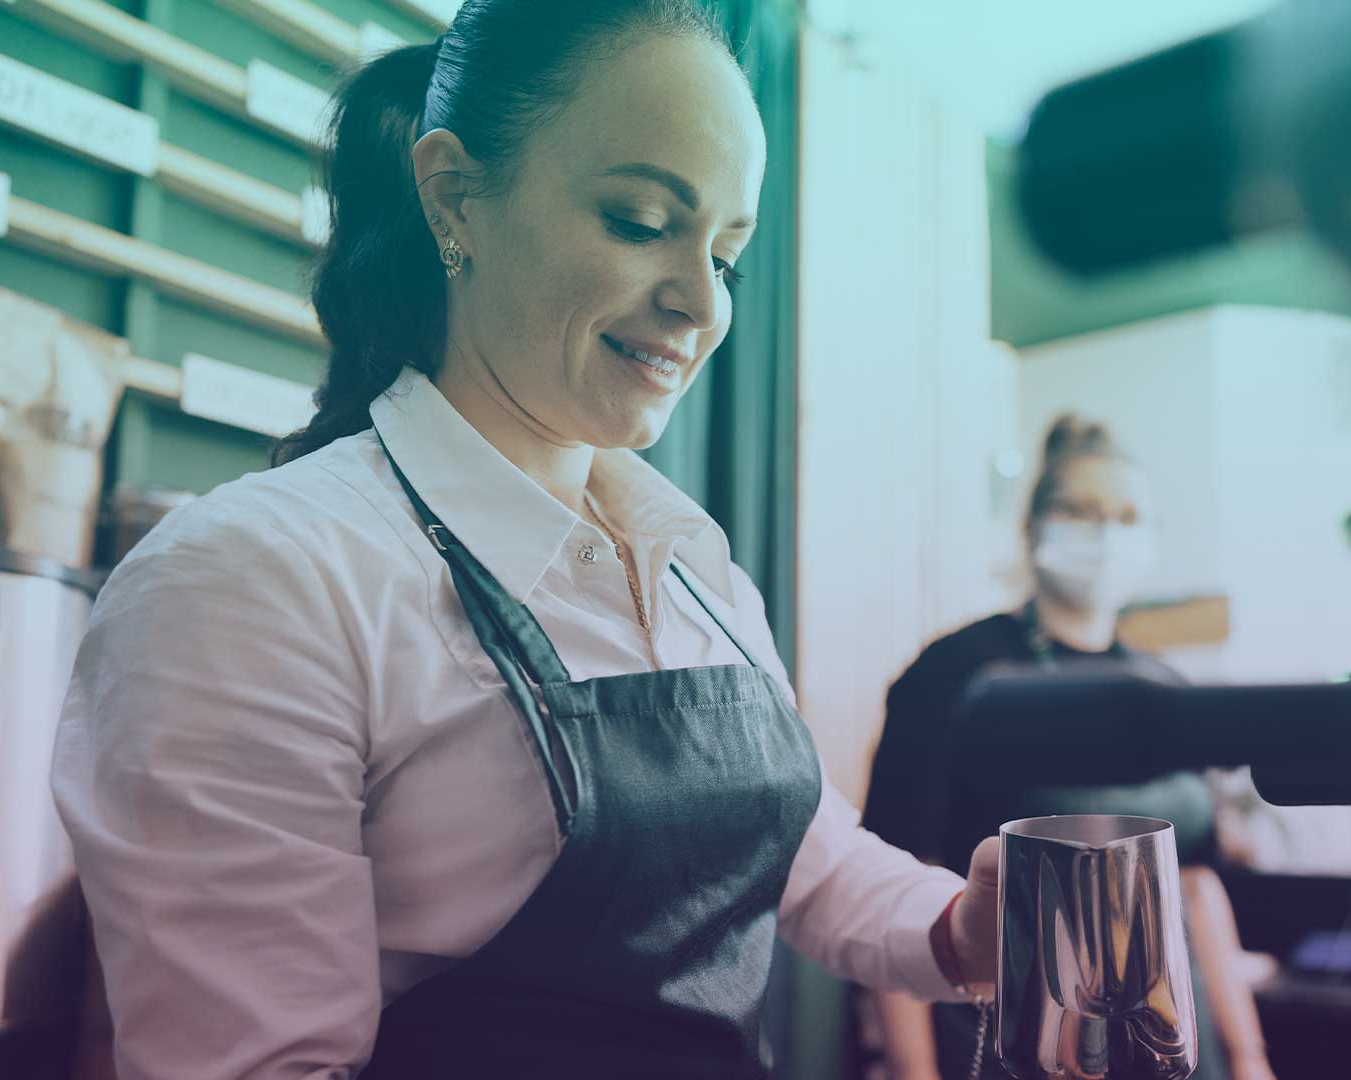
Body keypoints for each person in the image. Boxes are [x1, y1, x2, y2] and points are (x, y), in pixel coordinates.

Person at [51, 3, 1004, 1077]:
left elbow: (805, 859)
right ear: (455, 198)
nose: (701, 302)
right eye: (640, 222)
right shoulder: (256, 579)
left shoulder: (692, 569)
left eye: (727, 256)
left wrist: (964, 929)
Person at [860, 416, 1277, 1080]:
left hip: (1173, 1046)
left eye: (1127, 516)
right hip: (1010, 1039)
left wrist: (1251, 1058)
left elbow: (1197, 888)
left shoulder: (1166, 689)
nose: (1107, 533)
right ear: (1032, 528)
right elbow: (899, 884)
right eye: (1081, 511)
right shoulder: (953, 674)